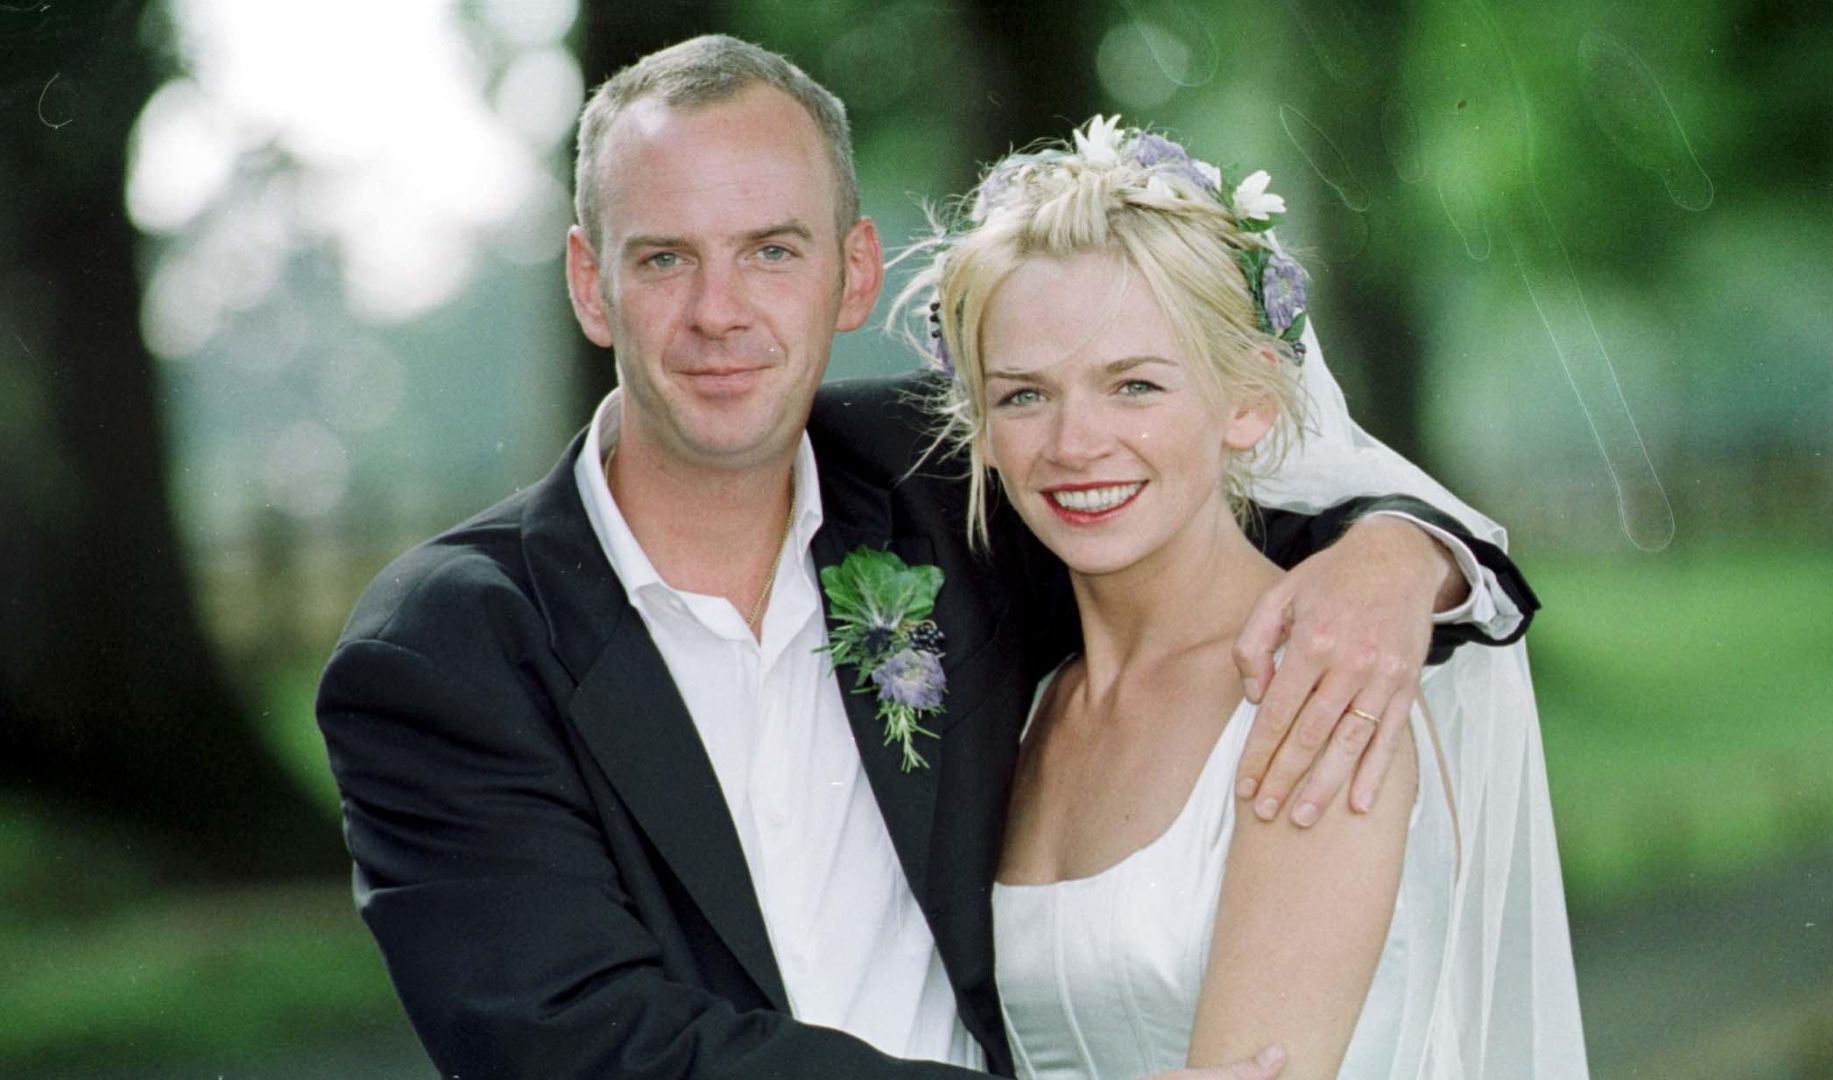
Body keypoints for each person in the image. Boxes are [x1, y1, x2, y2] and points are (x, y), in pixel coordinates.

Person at [315, 36, 1538, 1079]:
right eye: (664, 257)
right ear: (593, 284)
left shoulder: (951, 477)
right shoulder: (448, 650)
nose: (720, 311)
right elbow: (582, 1043)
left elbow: (1199, 494)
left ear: (853, 273)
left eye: (773, 250)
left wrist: (1403, 556)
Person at [897, 117, 1587, 1078]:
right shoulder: (1031, 704)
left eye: (1134, 385)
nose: (1073, 441)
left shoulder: (1321, 686)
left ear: (1251, 400)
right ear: (978, 422)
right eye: (1022, 396)